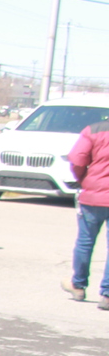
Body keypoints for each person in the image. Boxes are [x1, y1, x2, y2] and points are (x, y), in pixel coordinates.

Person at [64, 118, 109, 308]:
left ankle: (78, 285)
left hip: (93, 196)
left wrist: (83, 179)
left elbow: (77, 159)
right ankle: (107, 294)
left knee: (85, 241)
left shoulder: (93, 130)